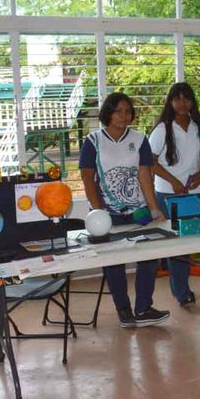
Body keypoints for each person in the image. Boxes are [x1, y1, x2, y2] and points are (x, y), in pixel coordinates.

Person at [79, 92, 169, 328]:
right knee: (114, 262)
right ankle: (124, 312)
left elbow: (144, 175)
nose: (124, 115)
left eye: (128, 111)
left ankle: (143, 308)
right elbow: (88, 178)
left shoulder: (139, 139)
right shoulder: (93, 141)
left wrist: (153, 207)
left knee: (148, 258)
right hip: (106, 215)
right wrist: (98, 212)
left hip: (138, 211)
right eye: (119, 110)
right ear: (108, 112)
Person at [149, 83, 200, 307]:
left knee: (189, 242)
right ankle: (182, 291)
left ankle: (180, 285)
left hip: (194, 193)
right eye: (178, 98)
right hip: (168, 194)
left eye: (187, 98)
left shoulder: (198, 127)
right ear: (171, 102)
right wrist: (173, 181)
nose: (182, 103)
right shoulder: (162, 129)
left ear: (193, 102)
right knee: (176, 244)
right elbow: (150, 162)